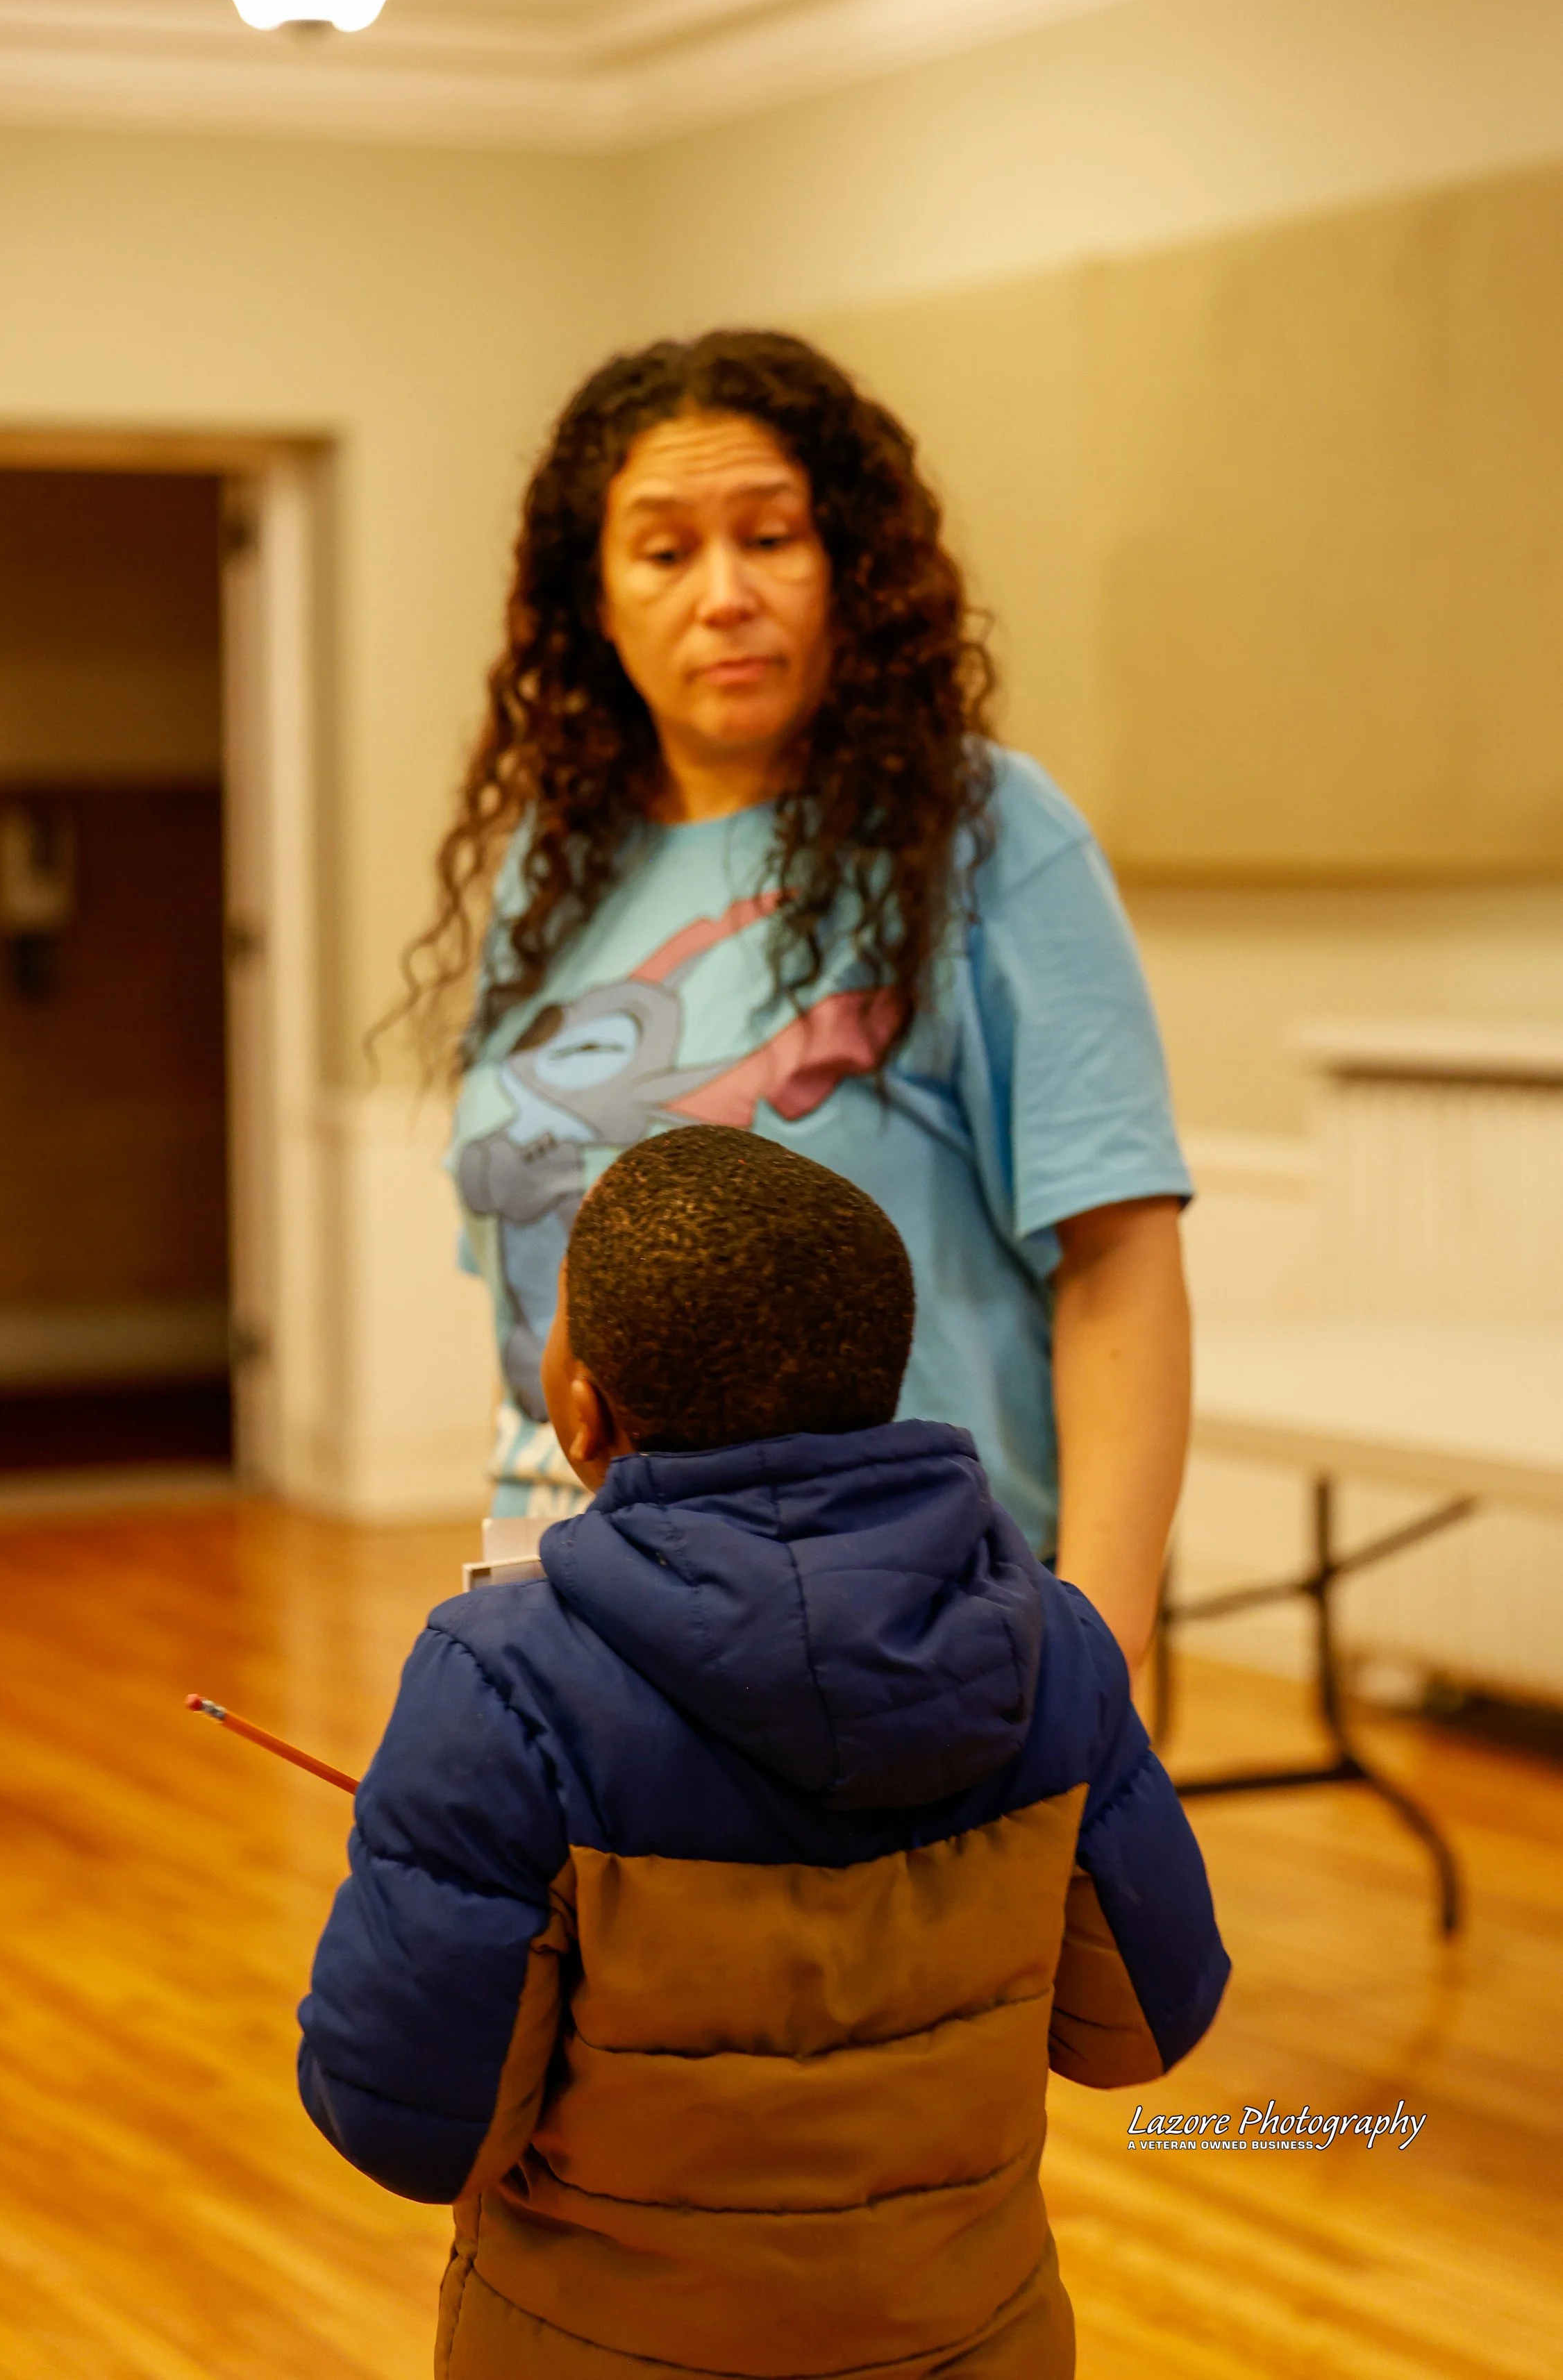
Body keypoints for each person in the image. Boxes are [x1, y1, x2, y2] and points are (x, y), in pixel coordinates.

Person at [298, 1126, 1229, 2379]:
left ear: (581, 1411)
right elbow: (1139, 2029)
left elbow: (409, 2124)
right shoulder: (1055, 1645)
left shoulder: (499, 1682)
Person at [408, 330, 1190, 1668]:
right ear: (595, 595)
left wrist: (1099, 1664)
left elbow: (1119, 1268)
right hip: (571, 1606)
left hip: (904, 1631)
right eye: (665, 551)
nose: (724, 594)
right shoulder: (562, 854)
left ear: (850, 569)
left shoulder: (986, 829)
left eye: (770, 536)